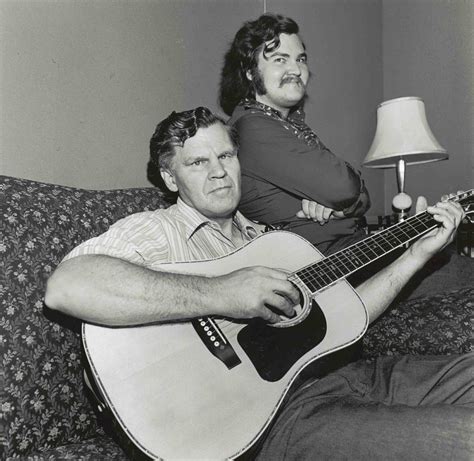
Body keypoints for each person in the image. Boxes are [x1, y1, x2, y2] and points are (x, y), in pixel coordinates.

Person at [44, 107, 472, 459]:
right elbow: (67, 287)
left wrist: (417, 254)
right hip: (280, 415)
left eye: (226, 157)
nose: (218, 173)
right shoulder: (158, 231)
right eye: (197, 162)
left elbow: (348, 314)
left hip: (355, 375)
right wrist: (225, 292)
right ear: (171, 178)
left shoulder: (272, 241)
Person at [220, 13, 371, 254]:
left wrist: (341, 207)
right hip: (321, 264)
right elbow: (346, 187)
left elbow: (360, 197)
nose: (296, 69)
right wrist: (345, 198)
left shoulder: (292, 125)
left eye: (301, 59)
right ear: (250, 72)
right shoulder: (252, 127)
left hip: (348, 248)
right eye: (280, 59)